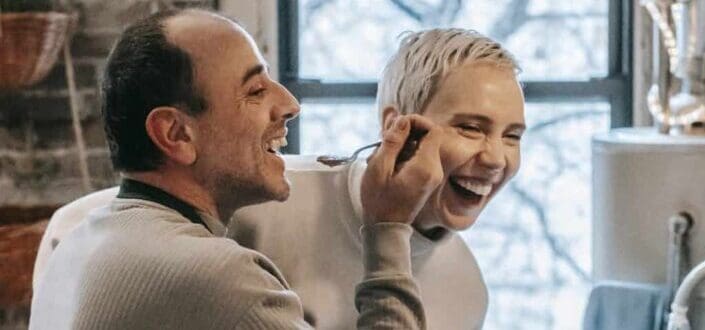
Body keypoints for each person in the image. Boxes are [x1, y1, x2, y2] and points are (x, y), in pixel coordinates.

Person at [33, 28, 525, 329]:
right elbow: (77, 226)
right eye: (470, 128)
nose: (495, 157)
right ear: (398, 126)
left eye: (513, 136)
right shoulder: (263, 191)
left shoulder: (468, 291)